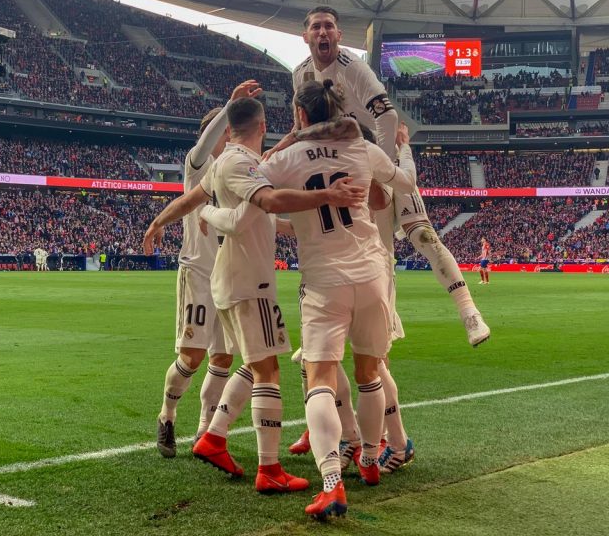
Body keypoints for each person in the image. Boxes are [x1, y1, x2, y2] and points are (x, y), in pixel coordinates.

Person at [200, 80, 416, 519]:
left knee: (319, 378)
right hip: (372, 273)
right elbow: (405, 183)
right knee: (370, 372)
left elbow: (254, 184)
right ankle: (371, 461)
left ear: (299, 116)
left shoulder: (285, 159)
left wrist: (206, 210)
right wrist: (401, 150)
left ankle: (333, 483)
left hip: (324, 281)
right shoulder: (361, 149)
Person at [143, 96, 365, 494]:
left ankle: (213, 434)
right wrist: (326, 196)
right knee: (267, 372)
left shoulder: (228, 165)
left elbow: (205, 203)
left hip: (232, 280)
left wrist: (161, 220)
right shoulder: (238, 165)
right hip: (248, 282)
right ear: (261, 126)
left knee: (250, 362)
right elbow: (266, 201)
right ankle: (269, 469)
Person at [274, 6, 490, 348]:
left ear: (339, 35)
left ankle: (469, 313)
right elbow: (302, 127)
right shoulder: (300, 74)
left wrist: (377, 168)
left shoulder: (353, 68)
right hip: (339, 166)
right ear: (306, 36)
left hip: (375, 158)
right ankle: (356, 325)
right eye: (316, 27)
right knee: (362, 250)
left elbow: (387, 118)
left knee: (422, 236)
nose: (323, 32)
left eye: (329, 25)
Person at [152, 80, 263, 460]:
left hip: (228, 276)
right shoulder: (197, 164)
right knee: (191, 357)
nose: (227, 135)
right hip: (198, 272)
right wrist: (230, 104)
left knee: (223, 358)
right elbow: (203, 146)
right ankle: (167, 414)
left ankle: (204, 432)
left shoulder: (234, 168)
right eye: (223, 129)